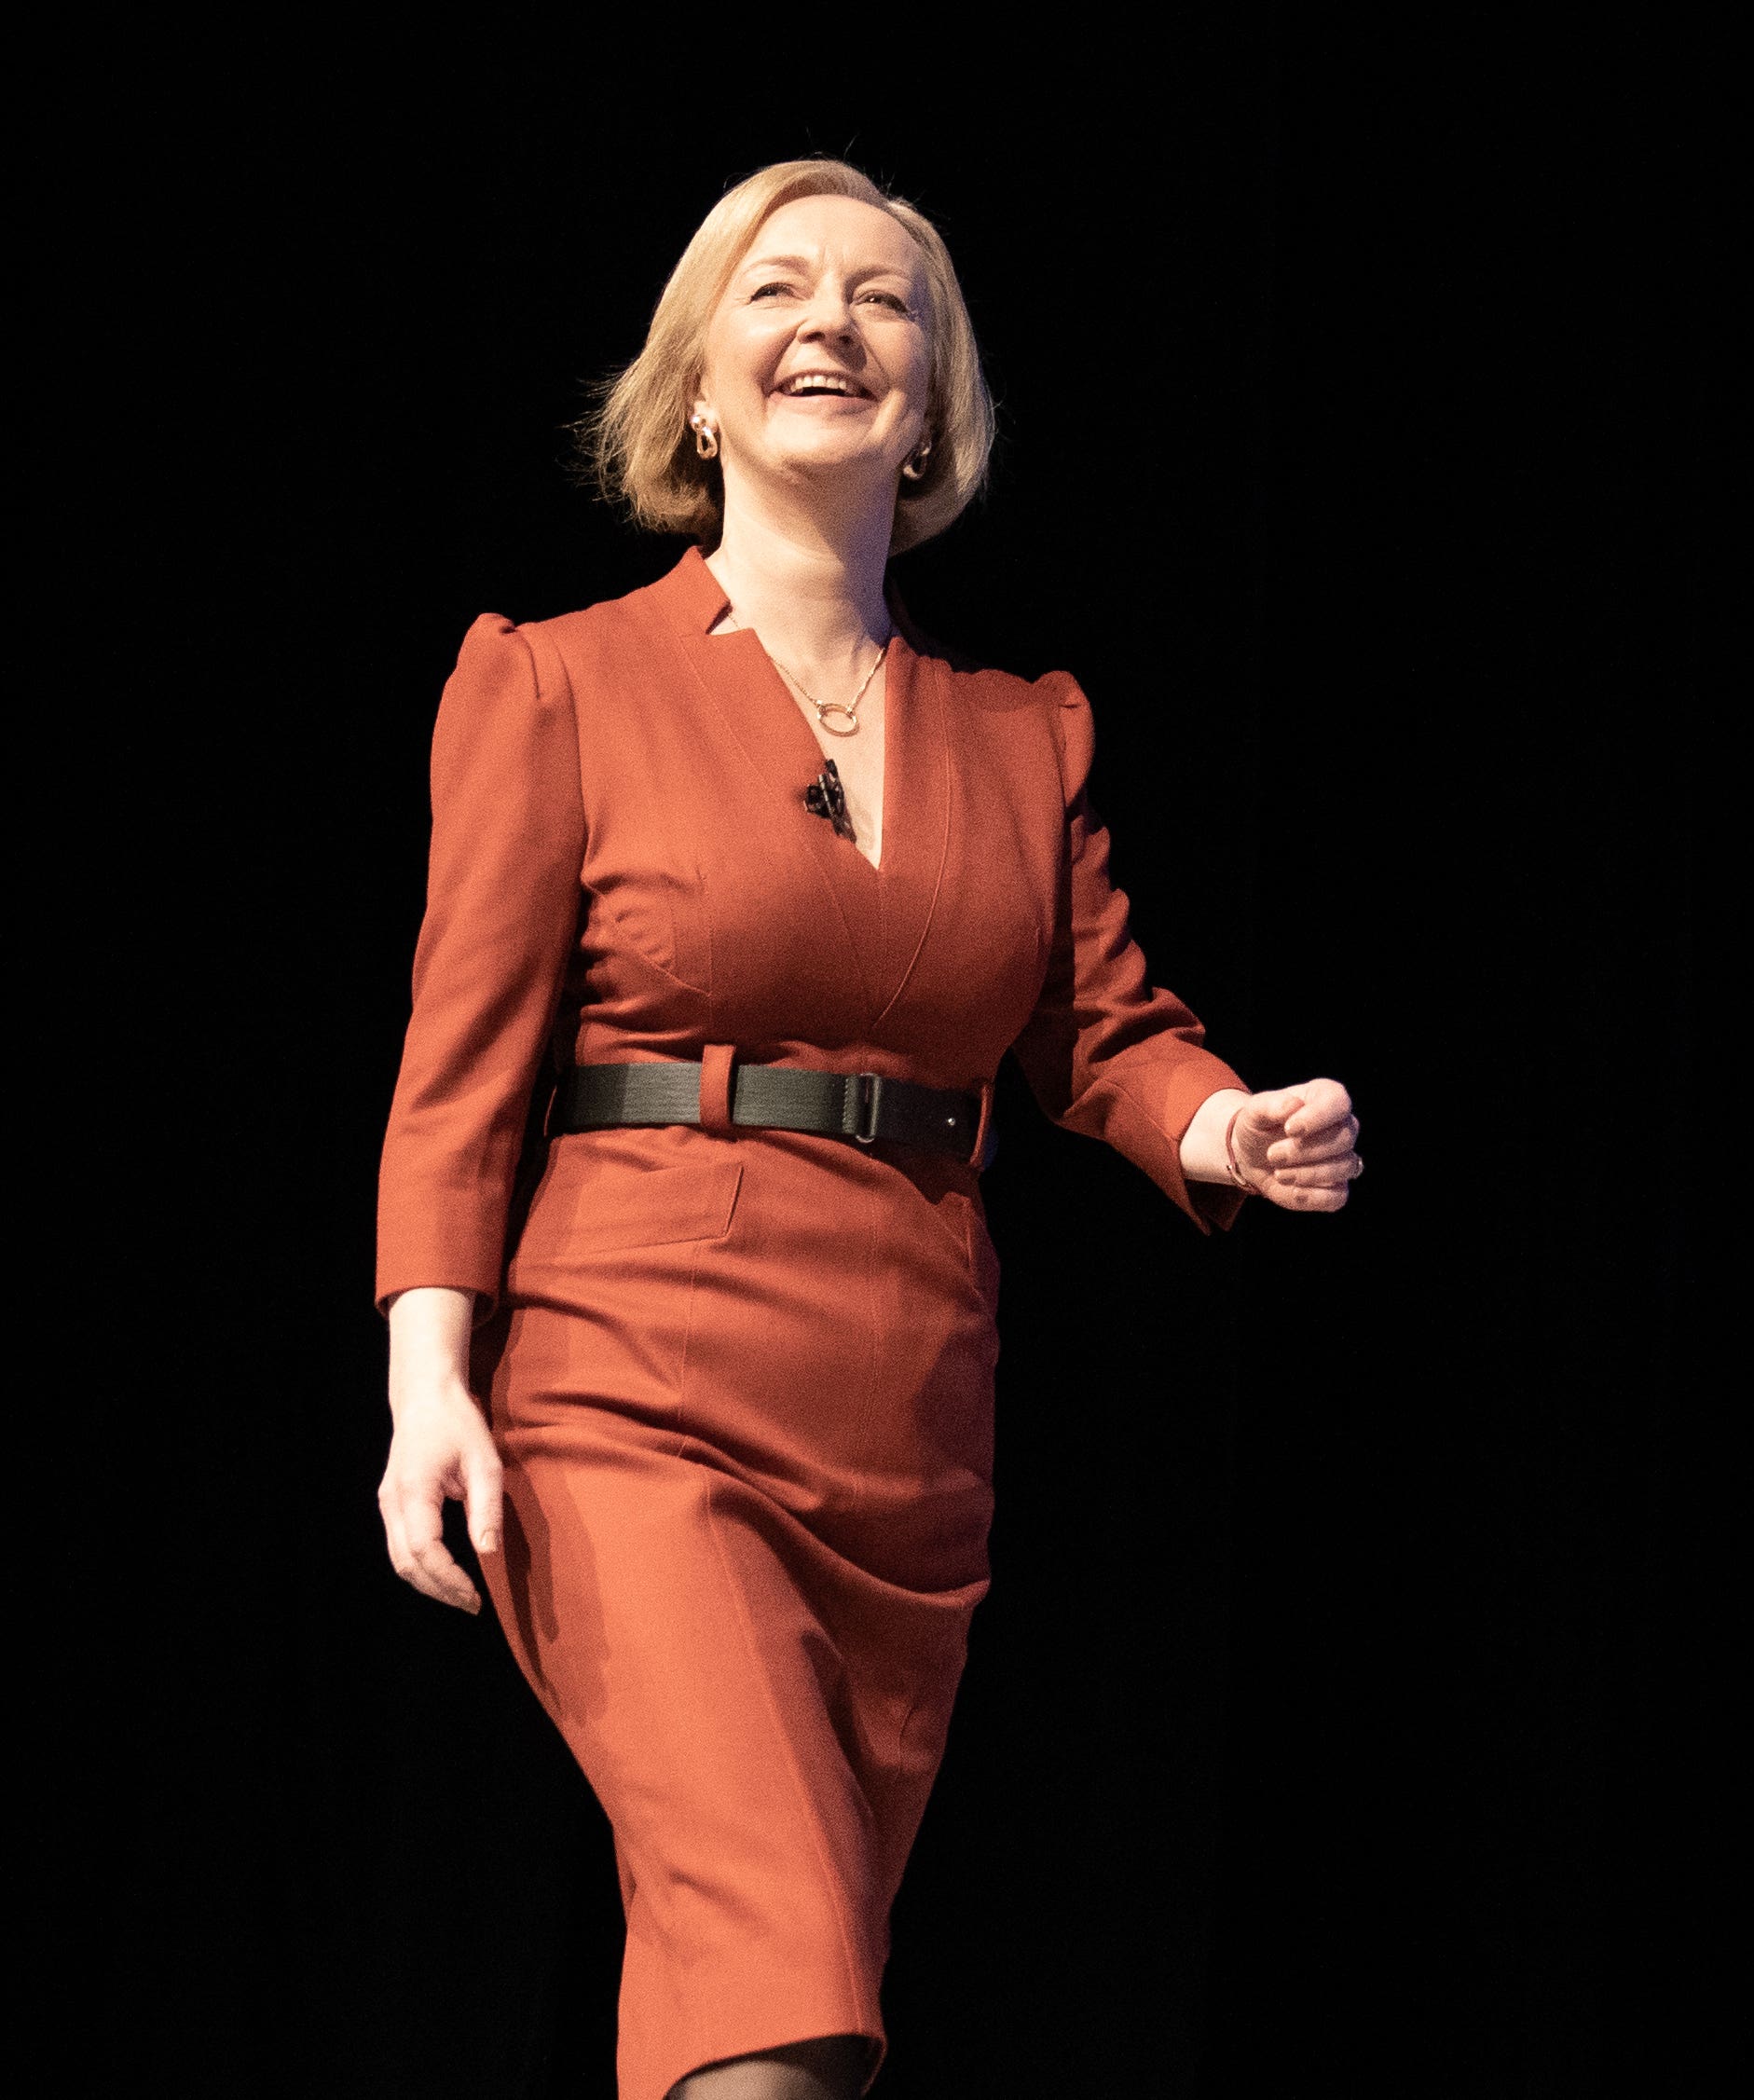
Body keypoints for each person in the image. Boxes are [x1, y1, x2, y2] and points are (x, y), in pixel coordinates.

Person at [372, 158, 1361, 2100]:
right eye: (777, 290)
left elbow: (1104, 1030)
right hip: (628, 1387)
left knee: (782, 1972)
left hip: (902, 1434)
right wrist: (428, 1377)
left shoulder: (1020, 733)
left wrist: (1225, 1126)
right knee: (780, 1973)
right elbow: (458, 1069)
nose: (831, 320)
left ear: (933, 405)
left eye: (884, 301)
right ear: (699, 394)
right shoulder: (555, 683)